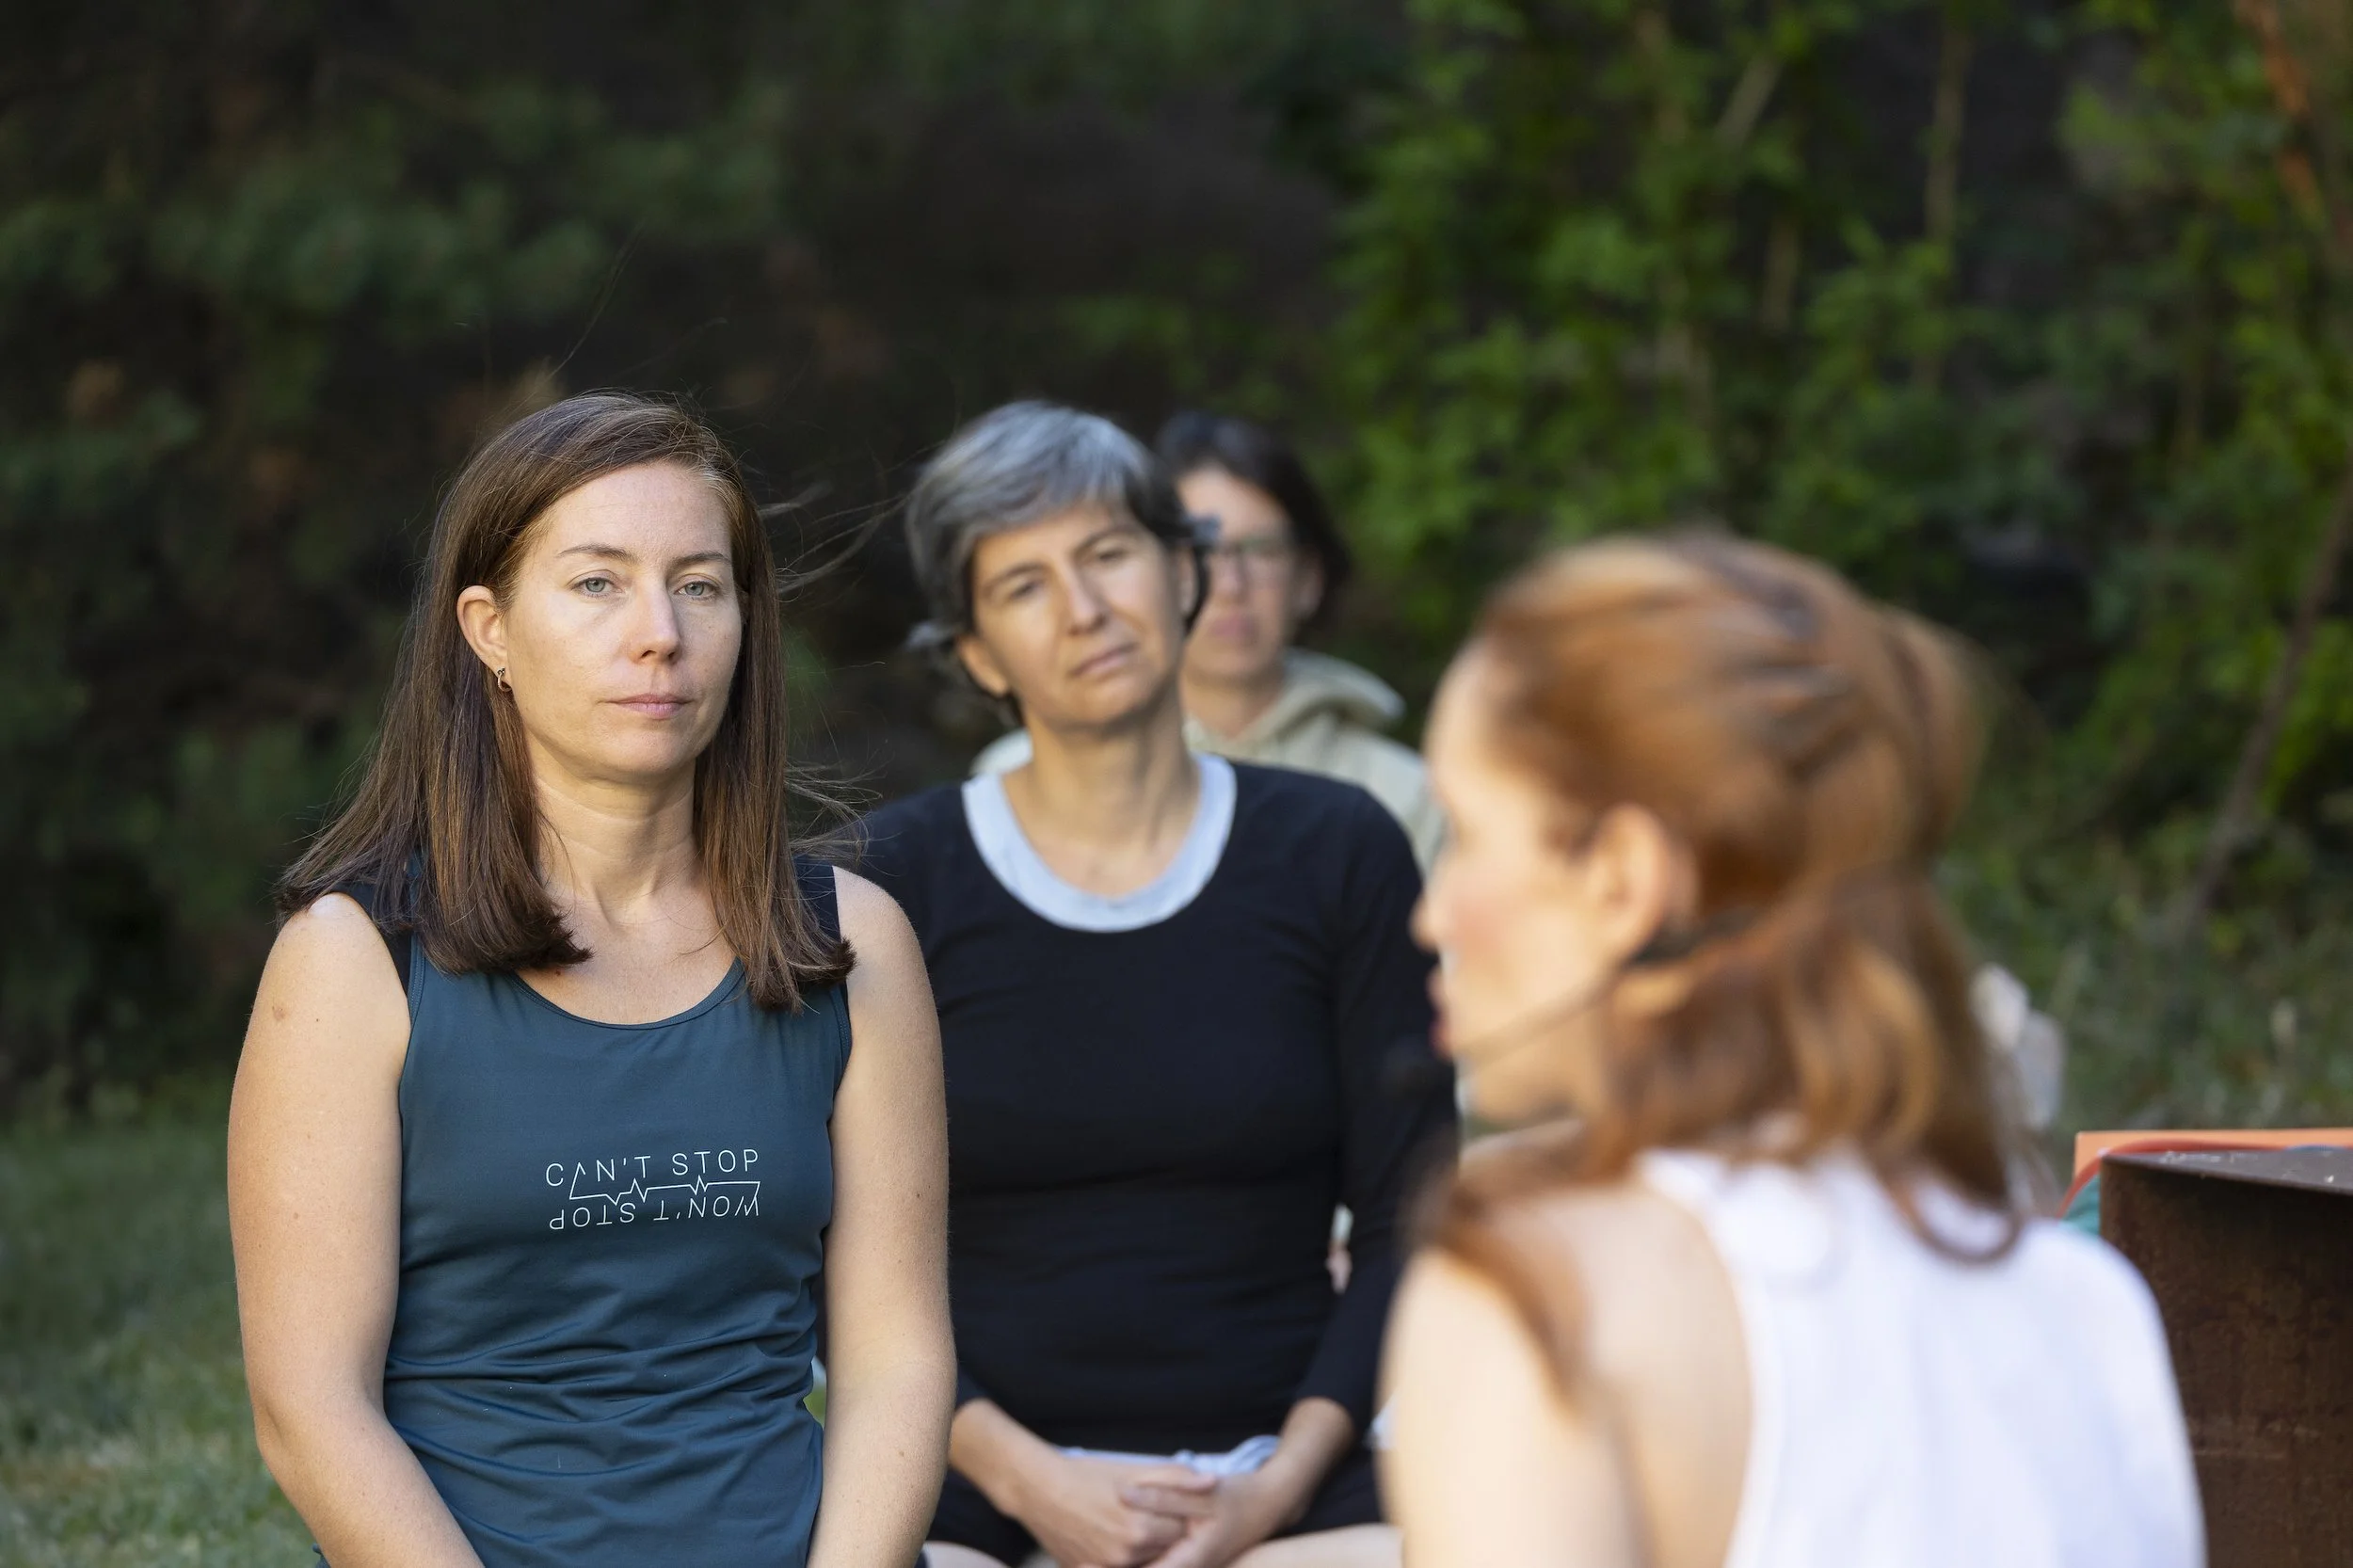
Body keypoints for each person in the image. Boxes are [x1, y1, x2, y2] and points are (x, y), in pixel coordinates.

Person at [227, 394, 954, 1568]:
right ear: (489, 629)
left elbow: (896, 1361)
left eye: (700, 584)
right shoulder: (353, 961)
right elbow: (311, 1414)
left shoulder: (850, 944)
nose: (658, 631)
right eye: (597, 583)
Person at [1383, 535, 2202, 1568]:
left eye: (1462, 833)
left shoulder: (1540, 1299)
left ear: (1623, 877)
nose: (1431, 912)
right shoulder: (2086, 1308)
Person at [857, 402, 1457, 1568]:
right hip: (974, 1481)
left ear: (1183, 574)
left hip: (1292, 1469)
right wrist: (1033, 1485)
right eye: (1023, 585)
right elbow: (838, 1251)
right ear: (976, 651)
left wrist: (1273, 1489)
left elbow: (1410, 1217)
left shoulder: (1340, 848)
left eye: (1109, 555)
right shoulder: (892, 880)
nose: (1083, 610)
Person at [972, 411, 1443, 871]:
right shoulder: (1013, 783)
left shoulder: (1409, 796)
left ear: (1309, 577)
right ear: (1165, 575)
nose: (1231, 585)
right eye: (1201, 552)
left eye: (1261, 550)